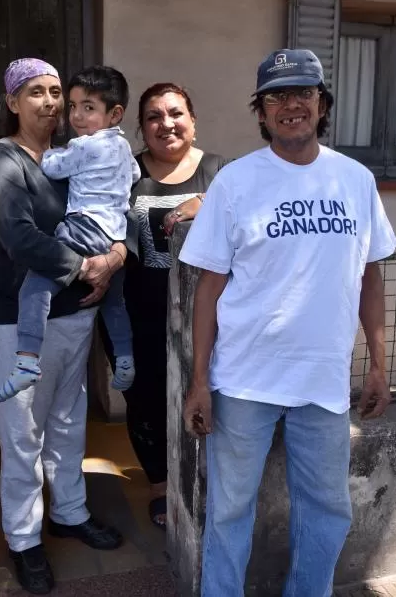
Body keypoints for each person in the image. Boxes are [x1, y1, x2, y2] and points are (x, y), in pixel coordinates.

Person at [178, 49, 396, 596]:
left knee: (326, 513)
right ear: (261, 112)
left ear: (322, 104)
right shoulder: (235, 182)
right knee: (228, 513)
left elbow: (370, 278)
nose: (290, 105)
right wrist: (199, 381)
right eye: (276, 96)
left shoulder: (355, 179)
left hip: (322, 382)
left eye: (303, 93)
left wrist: (378, 364)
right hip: (243, 381)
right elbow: (209, 289)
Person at [0, 57, 128, 595]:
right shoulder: (3, 160)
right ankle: (23, 539)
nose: (51, 102)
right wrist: (87, 267)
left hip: (73, 315)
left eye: (57, 91)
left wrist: (117, 254)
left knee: (67, 423)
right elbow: (20, 239)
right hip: (18, 320)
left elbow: (108, 213)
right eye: (36, 91)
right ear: (13, 102)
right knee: (22, 435)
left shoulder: (78, 156)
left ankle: (69, 512)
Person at [106, 83, 230, 530]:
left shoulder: (219, 172)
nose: (167, 124)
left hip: (210, 313)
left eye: (176, 113)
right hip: (139, 311)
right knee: (145, 399)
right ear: (142, 128)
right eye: (154, 117)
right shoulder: (127, 174)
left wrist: (205, 202)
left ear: (193, 120)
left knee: (205, 391)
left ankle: (204, 476)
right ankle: (159, 486)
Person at [0, 66, 141, 403]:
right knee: (114, 301)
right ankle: (124, 358)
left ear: (114, 113)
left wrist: (50, 154)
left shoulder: (84, 147)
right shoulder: (122, 148)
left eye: (87, 108)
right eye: (74, 106)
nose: (75, 115)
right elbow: (133, 174)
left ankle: (27, 360)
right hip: (112, 231)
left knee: (35, 287)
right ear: (12, 103)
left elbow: (51, 167)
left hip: (84, 228)